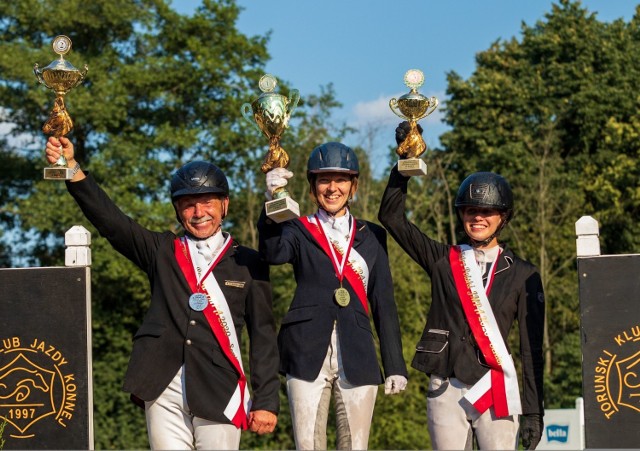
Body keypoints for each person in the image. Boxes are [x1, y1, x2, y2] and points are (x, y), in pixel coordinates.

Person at [44, 136, 280, 450]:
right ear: (177, 209)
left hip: (220, 387)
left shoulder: (249, 262)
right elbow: (111, 221)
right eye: (188, 204)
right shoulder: (162, 250)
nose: (198, 212)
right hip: (162, 382)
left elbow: (263, 335)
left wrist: (266, 401)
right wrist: (71, 168)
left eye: (207, 202)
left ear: (224, 204)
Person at [377, 123, 545, 450]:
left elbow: (530, 348)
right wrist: (403, 166)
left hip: (495, 388)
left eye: (487, 212)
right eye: (471, 211)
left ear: (502, 218)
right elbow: (392, 218)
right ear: (461, 215)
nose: (478, 218)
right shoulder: (443, 259)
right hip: (445, 384)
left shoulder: (524, 274)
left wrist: (534, 410)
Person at [258, 142, 408, 450]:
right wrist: (271, 202)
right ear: (313, 187)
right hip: (305, 351)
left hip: (358, 353)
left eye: (340, 180)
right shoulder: (297, 228)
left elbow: (383, 301)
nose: (332, 188)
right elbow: (272, 254)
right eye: (324, 180)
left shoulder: (373, 235)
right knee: (308, 445)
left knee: (355, 446)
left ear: (353, 185)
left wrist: (394, 363)